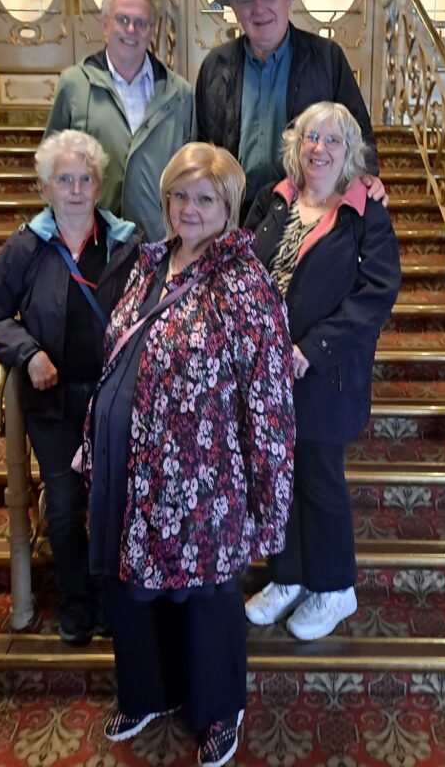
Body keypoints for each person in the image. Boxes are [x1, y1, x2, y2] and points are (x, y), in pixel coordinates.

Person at [81, 142, 295, 767]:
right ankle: (148, 691)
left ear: (228, 206)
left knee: (206, 596)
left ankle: (218, 709)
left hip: (206, 477)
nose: (189, 208)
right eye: (180, 195)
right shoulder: (149, 263)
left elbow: (270, 400)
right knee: (133, 584)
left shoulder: (243, 281)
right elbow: (117, 356)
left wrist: (268, 496)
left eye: (205, 198)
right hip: (133, 467)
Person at [0, 129, 140, 646]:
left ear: (98, 184)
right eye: (63, 179)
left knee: (111, 501)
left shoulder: (125, 240)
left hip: (111, 401)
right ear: (45, 187)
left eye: (84, 178)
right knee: (64, 504)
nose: (74, 189)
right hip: (51, 403)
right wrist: (28, 352)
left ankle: (108, 599)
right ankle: (74, 602)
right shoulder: (26, 245)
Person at [244, 102, 401, 641]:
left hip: (324, 374)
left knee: (318, 480)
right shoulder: (275, 200)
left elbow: (376, 295)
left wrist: (312, 348)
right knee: (276, 478)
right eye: (312, 137)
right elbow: (244, 265)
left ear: (350, 152)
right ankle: (287, 577)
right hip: (266, 371)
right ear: (297, 145)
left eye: (333, 141)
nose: (320, 149)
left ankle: (334, 588)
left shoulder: (365, 214)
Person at [194, 0, 384, 214]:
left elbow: (358, 131)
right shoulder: (215, 65)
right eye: (246, 0)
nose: (258, 9)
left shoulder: (326, 57)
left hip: (306, 212)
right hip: (233, 213)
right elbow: (201, 146)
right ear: (235, 10)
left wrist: (365, 176)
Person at [45, 0, 195, 241]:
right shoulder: (74, 86)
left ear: (151, 30)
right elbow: (49, 167)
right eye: (122, 19)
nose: (131, 30)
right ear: (104, 24)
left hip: (158, 245)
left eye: (141, 23)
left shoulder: (179, 94)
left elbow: (191, 175)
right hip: (92, 243)